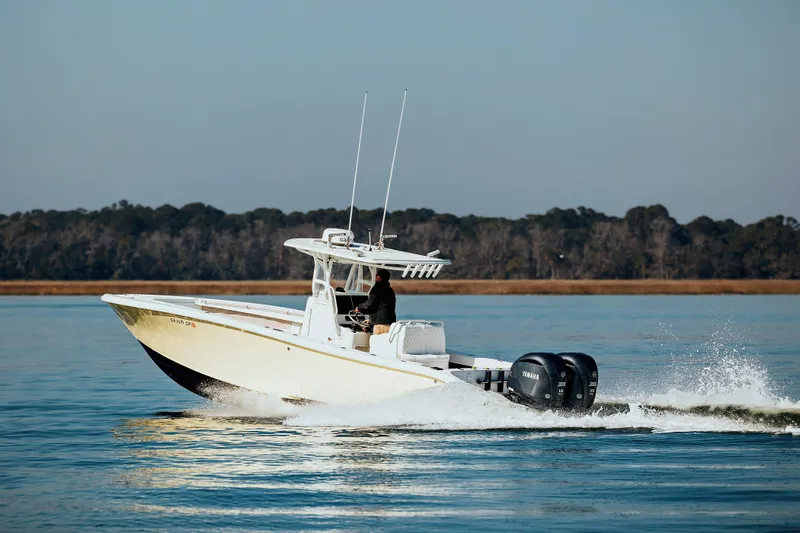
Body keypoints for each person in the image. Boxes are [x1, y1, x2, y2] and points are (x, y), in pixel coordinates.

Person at [355, 268, 396, 334]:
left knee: (377, 343)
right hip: (390, 324)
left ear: (378, 277)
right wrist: (370, 320)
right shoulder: (390, 290)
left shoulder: (377, 288)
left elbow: (369, 304)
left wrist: (359, 307)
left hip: (380, 325)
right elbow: (378, 306)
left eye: (377, 275)